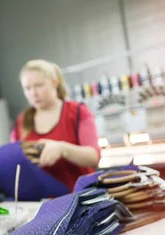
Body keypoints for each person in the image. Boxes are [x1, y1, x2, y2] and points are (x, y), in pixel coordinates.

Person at [11, 59, 101, 190]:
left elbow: (94, 157)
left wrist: (62, 149)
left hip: (79, 198)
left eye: (38, 85)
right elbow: (14, 160)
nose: (33, 93)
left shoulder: (77, 112)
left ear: (54, 82)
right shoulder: (22, 120)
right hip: (40, 202)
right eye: (27, 88)